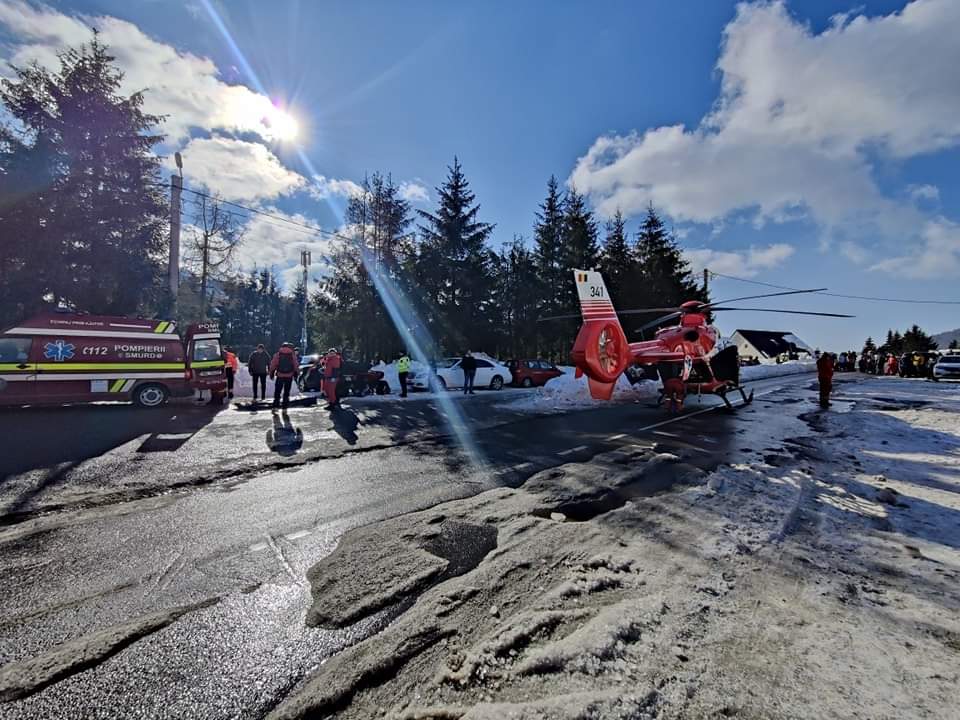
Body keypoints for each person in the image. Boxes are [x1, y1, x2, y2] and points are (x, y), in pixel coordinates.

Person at [270, 342, 299, 410]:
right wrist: (296, 373)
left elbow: (273, 364)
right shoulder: (292, 355)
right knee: (286, 391)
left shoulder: (278, 354)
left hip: (280, 375)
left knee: (278, 391)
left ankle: (275, 406)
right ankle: (285, 406)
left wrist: (271, 373)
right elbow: (296, 365)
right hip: (289, 375)